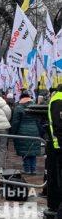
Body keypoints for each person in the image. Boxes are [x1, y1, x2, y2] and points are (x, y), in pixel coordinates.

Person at [10, 91, 42, 175]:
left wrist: (13, 133)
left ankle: (27, 169)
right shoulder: (35, 106)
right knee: (33, 151)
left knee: (25, 151)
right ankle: (33, 169)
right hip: (34, 130)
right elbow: (39, 120)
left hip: (22, 131)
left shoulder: (18, 107)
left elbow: (15, 122)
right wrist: (40, 132)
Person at [46, 85, 62, 216]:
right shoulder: (58, 100)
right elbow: (58, 125)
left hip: (57, 146)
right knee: (57, 180)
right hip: (58, 147)